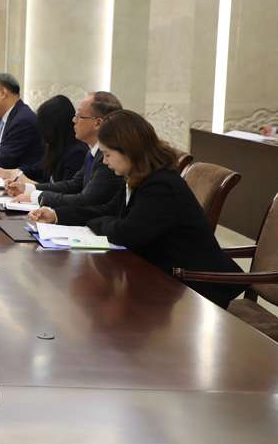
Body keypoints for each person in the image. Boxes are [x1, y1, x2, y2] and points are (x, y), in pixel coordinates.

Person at [29, 110, 246, 308]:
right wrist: (56, 215)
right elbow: (107, 210)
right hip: (160, 275)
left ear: (128, 151)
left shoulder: (161, 185)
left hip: (193, 288)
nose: (105, 162)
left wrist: (98, 223)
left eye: (107, 154)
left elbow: (126, 233)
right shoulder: (138, 177)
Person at [0, 91, 124, 210]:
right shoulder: (92, 152)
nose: (74, 120)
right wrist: (27, 188)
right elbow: (73, 185)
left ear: (97, 123)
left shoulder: (107, 159)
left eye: (79, 116)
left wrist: (36, 196)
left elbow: (86, 200)